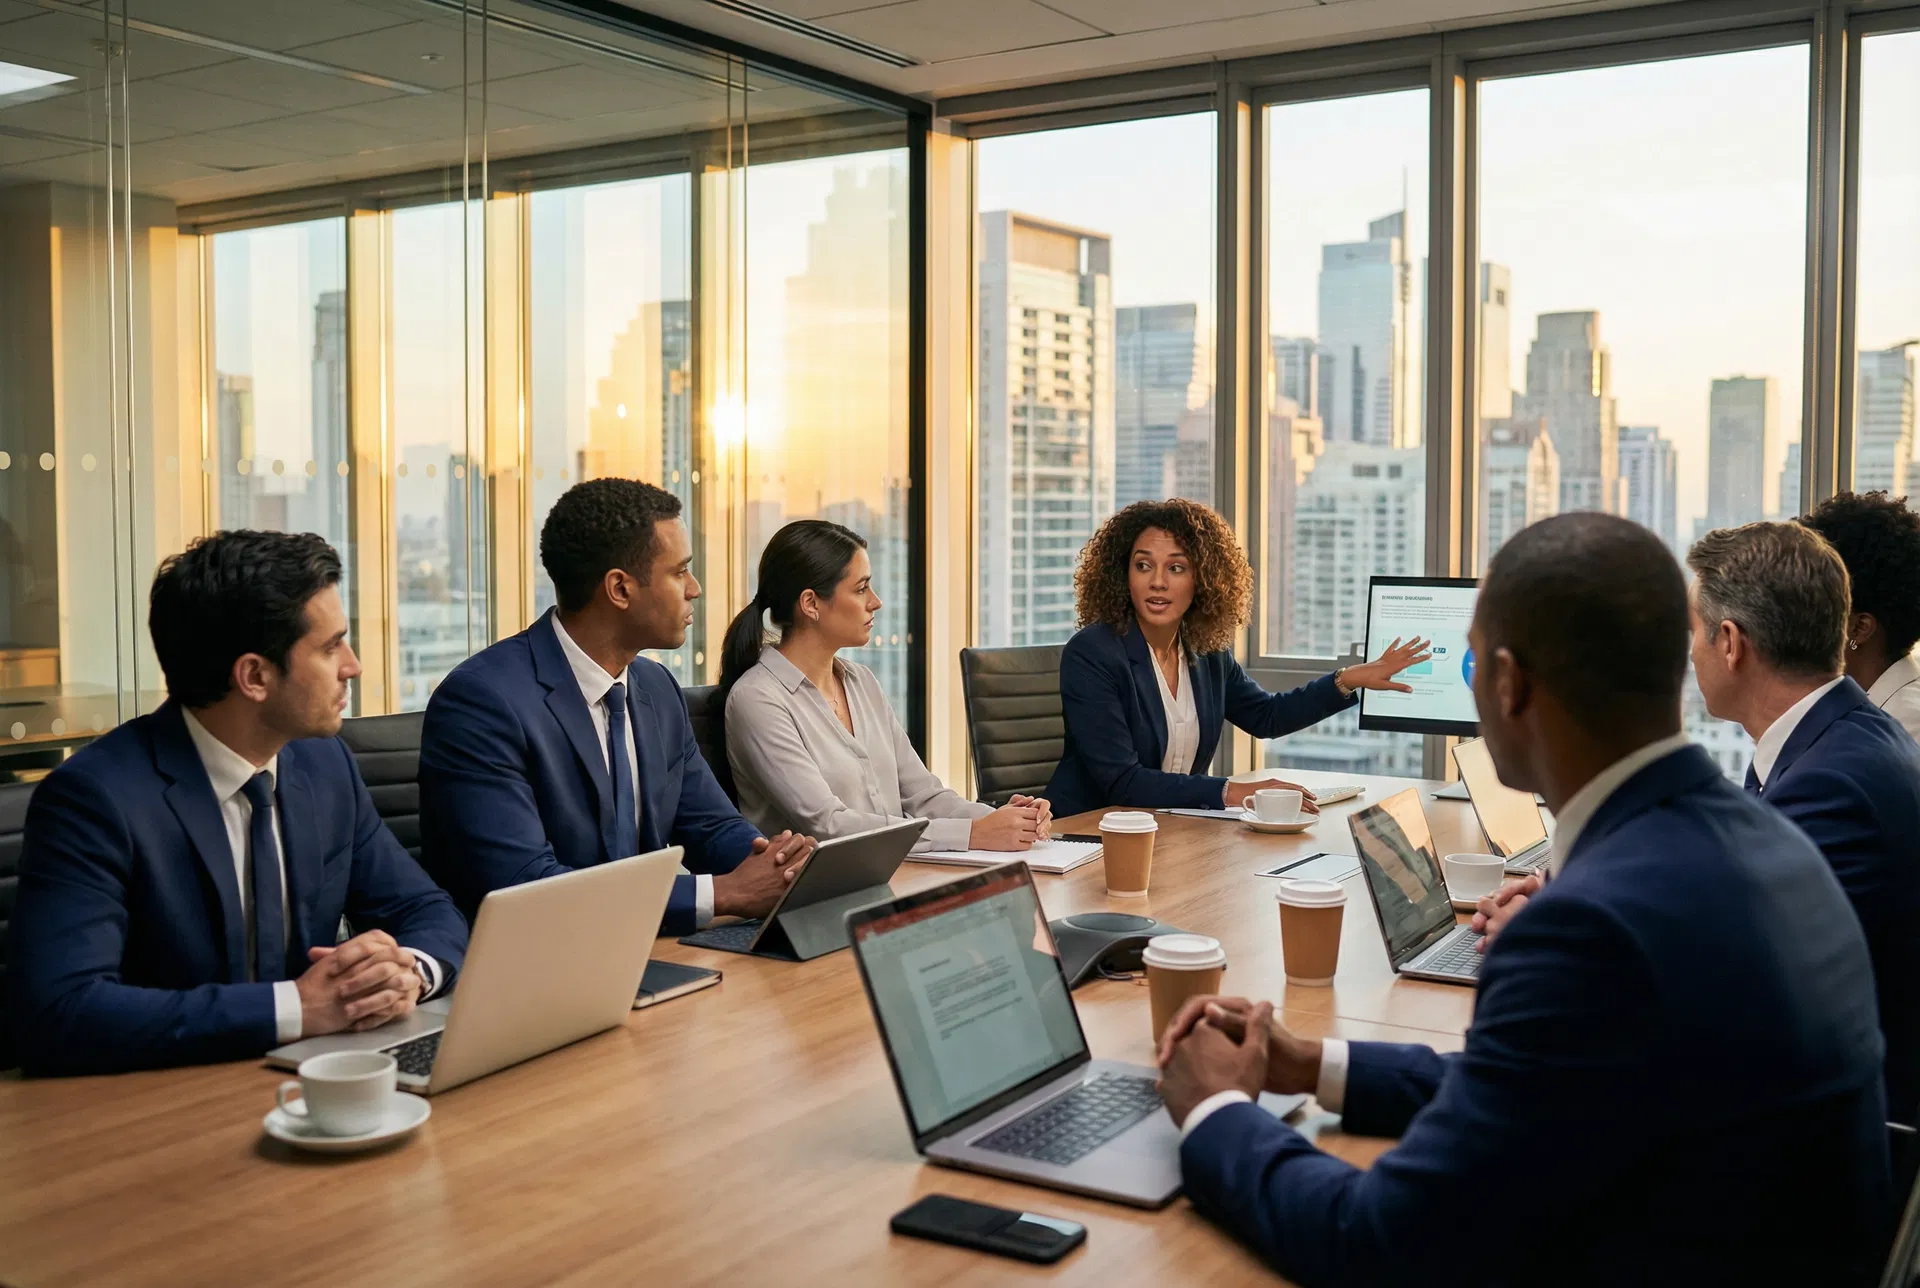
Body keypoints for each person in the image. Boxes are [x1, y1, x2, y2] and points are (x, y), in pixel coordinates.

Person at [1156, 513, 1889, 1286]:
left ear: (1509, 683)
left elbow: (1385, 1244)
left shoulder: (1593, 926)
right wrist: (1311, 1064)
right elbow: (1532, 1086)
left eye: (1472, 667)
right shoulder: (1763, 837)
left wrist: (1216, 1111)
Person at [8, 532, 469, 1077]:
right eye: (329, 647)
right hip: (164, 1102)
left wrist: (407, 973)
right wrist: (299, 1008)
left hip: (309, 1082)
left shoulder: (324, 767)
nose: (353, 666)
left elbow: (426, 910)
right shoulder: (94, 799)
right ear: (254, 676)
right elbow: (61, 1011)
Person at [418, 479, 812, 937]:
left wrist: (779, 865)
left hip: (644, 955)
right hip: (535, 971)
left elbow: (710, 826)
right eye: (679, 572)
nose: (695, 589)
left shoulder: (657, 688)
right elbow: (525, 887)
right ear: (620, 589)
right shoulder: (481, 703)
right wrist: (723, 894)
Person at [1686, 521, 1920, 1126]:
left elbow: (1734, 986)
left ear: (1731, 642)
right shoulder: (1844, 734)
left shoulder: (1831, 783)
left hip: (1836, 1137)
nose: (1690, 652)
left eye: (1693, 631)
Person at [1044, 499, 1428, 818]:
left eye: (1176, 568)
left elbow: (1267, 716)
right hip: (1089, 836)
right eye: (1143, 565)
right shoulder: (1093, 653)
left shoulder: (1205, 652)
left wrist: (1348, 679)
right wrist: (1234, 791)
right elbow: (1122, 782)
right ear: (1122, 575)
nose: (1157, 581)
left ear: (1202, 580)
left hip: (1172, 832)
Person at [721, 520, 1051, 854]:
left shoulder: (862, 681)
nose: (875, 602)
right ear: (811, 604)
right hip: (823, 895)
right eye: (861, 588)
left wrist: (1006, 820)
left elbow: (923, 795)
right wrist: (972, 834)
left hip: (901, 874)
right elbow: (829, 825)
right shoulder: (758, 699)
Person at [1801, 490, 1920, 742]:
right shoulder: (1869, 712)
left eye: (1809, 601)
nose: (1794, 616)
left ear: (1858, 628)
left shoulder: (1902, 730)